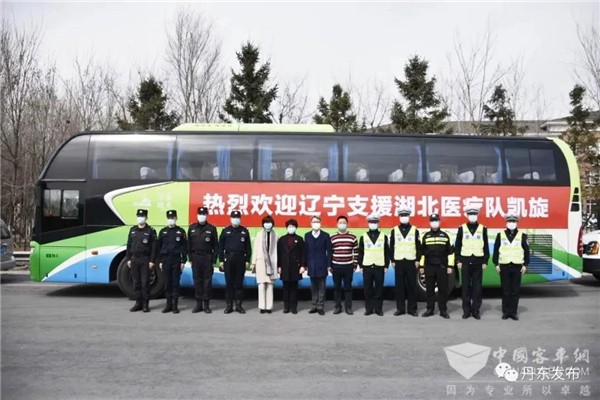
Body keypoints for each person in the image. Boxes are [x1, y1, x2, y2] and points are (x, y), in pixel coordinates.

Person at [493, 213, 530, 321]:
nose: (511, 223)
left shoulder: (523, 236)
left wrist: (525, 264)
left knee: (515, 291)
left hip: (517, 266)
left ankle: (513, 312)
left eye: (513, 221)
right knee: (505, 290)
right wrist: (496, 264)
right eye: (509, 221)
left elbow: (527, 251)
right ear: (506, 222)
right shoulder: (500, 235)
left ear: (517, 223)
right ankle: (506, 312)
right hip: (504, 266)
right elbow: (495, 250)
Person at [454, 205, 489, 320]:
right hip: (465, 261)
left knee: (477, 288)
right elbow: (457, 246)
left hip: (478, 261)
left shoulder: (483, 229)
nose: (472, 216)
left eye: (474, 214)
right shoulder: (462, 228)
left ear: (477, 215)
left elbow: (486, 246)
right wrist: (458, 260)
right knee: (465, 288)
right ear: (467, 215)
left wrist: (485, 261)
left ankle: (476, 311)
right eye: (470, 214)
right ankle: (466, 311)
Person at [420, 213, 453, 319]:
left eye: (436, 221)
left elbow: (450, 252)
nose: (434, 223)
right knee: (429, 289)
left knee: (443, 289)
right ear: (430, 222)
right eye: (432, 221)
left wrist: (450, 266)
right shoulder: (425, 236)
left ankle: (443, 310)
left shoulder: (445, 235)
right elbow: (421, 252)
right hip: (429, 266)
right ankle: (430, 309)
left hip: (442, 266)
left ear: (439, 222)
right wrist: (421, 266)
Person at [219, 210, 252, 314]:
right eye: (234, 217)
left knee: (239, 283)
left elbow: (248, 248)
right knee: (229, 283)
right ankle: (229, 305)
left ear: (240, 219)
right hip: (228, 259)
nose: (235, 219)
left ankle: (238, 305)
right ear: (230, 218)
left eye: (237, 217)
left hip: (240, 259)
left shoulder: (244, 231)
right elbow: (220, 247)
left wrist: (247, 260)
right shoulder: (225, 231)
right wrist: (221, 260)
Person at [390, 207, 421, 317]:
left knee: (412, 286)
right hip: (399, 262)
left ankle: (412, 309)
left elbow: (418, 246)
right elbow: (391, 246)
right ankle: (400, 309)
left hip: (411, 261)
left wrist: (418, 259)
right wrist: (392, 260)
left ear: (409, 217)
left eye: (406, 215)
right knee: (400, 287)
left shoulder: (414, 230)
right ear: (399, 217)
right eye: (402, 216)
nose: (404, 217)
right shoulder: (394, 230)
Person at [125, 209, 157, 313]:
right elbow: (128, 245)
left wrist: (152, 261)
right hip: (134, 259)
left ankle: (145, 304)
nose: (140, 218)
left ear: (146, 218)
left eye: (142, 216)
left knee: (145, 283)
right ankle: (138, 303)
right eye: (139, 216)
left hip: (145, 259)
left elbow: (154, 248)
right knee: (136, 282)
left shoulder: (151, 231)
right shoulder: (133, 230)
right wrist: (128, 259)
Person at [188, 206, 218, 314]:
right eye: (200, 214)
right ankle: (198, 304)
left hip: (207, 258)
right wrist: (190, 259)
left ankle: (206, 305)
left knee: (207, 282)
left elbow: (216, 246)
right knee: (197, 281)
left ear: (207, 215)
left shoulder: (211, 228)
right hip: (196, 257)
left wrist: (214, 261)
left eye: (204, 214)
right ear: (197, 215)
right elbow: (188, 245)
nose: (202, 216)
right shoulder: (192, 228)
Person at [358, 213, 390, 316]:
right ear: (368, 223)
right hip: (367, 266)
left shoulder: (383, 236)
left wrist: (386, 265)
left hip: (379, 266)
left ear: (378, 223)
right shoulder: (363, 237)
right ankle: (369, 309)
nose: (373, 224)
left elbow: (387, 252)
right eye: (371, 222)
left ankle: (378, 309)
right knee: (367, 289)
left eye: (375, 222)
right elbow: (361, 252)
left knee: (379, 289)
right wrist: (360, 265)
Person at [157, 210, 187, 314]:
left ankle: (175, 305)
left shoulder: (181, 231)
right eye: (169, 218)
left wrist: (183, 261)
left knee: (175, 283)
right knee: (167, 283)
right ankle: (168, 304)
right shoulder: (163, 232)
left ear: (176, 218)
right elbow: (159, 247)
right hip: (165, 260)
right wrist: (160, 261)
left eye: (172, 218)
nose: (171, 219)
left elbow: (184, 247)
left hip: (176, 260)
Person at [330, 215, 359, 315]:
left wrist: (354, 264)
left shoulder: (353, 237)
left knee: (348, 288)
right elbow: (330, 253)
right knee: (336, 288)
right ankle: (337, 307)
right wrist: (330, 266)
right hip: (336, 266)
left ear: (347, 224)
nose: (342, 224)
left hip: (348, 266)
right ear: (337, 224)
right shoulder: (332, 237)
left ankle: (348, 307)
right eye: (340, 223)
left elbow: (356, 252)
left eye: (344, 223)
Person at [304, 216, 332, 315]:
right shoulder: (307, 235)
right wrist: (305, 264)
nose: (316, 223)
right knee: (313, 287)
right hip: (311, 264)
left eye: (317, 221)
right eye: (314, 221)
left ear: (320, 223)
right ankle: (314, 306)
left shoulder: (325, 235)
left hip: (322, 264)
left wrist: (329, 264)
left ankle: (320, 306)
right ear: (311, 223)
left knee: (321, 287)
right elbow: (305, 251)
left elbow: (329, 251)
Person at [251, 215, 279, 314]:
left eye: (269, 222)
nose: (267, 224)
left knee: (270, 285)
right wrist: (253, 262)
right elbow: (255, 249)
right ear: (263, 224)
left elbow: (278, 250)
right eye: (266, 222)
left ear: (272, 224)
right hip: (261, 262)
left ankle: (269, 307)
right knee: (261, 285)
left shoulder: (276, 235)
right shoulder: (259, 234)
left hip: (272, 263)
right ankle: (262, 307)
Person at [277, 219, 305, 314]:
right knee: (285, 288)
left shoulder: (300, 239)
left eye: (293, 226)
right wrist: (279, 266)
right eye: (289, 226)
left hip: (295, 267)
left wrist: (303, 266)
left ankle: (293, 308)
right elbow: (279, 254)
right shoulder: (282, 239)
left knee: (294, 289)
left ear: (296, 228)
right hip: (284, 267)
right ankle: (286, 307)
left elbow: (303, 254)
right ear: (286, 228)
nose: (291, 228)